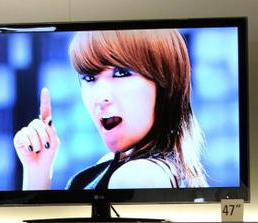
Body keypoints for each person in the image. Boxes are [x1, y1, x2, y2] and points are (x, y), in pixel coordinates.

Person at [14, 29, 209, 191]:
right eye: (89, 77)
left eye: (121, 73)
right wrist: (38, 170)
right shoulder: (123, 163)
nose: (100, 97)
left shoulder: (137, 176)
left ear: (165, 83)